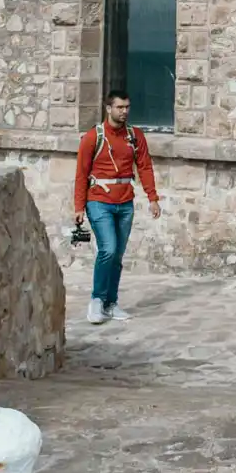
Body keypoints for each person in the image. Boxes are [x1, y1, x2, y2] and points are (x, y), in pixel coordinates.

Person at [73, 92, 161, 324]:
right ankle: (97, 300)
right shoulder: (93, 137)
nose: (124, 111)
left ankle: (111, 303)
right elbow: (81, 173)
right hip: (98, 200)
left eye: (127, 107)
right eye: (120, 107)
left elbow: (145, 167)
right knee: (108, 250)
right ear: (108, 108)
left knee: (118, 255)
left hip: (125, 202)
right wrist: (78, 206)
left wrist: (152, 198)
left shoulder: (135, 136)